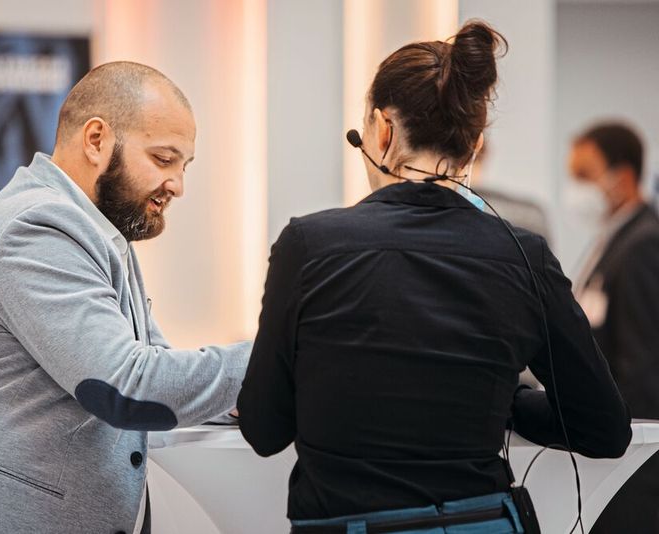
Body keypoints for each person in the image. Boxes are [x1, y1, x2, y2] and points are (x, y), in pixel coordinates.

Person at [238, 21, 631, 534]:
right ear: (474, 144)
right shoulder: (523, 255)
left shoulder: (308, 245)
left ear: (381, 130)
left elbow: (264, 429)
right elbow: (603, 428)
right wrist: (506, 400)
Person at [0, 62, 250, 534]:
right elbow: (128, 386)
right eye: (164, 159)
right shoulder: (36, 227)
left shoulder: (97, 233)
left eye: (184, 167)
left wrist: (248, 393)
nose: (178, 186)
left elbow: (156, 362)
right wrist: (277, 357)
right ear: (97, 139)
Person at [568, 122, 659, 534]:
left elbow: (641, 364)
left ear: (621, 177)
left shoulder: (643, 243)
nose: (576, 190)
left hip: (632, 458)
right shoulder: (612, 238)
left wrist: (618, 442)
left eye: (584, 177)